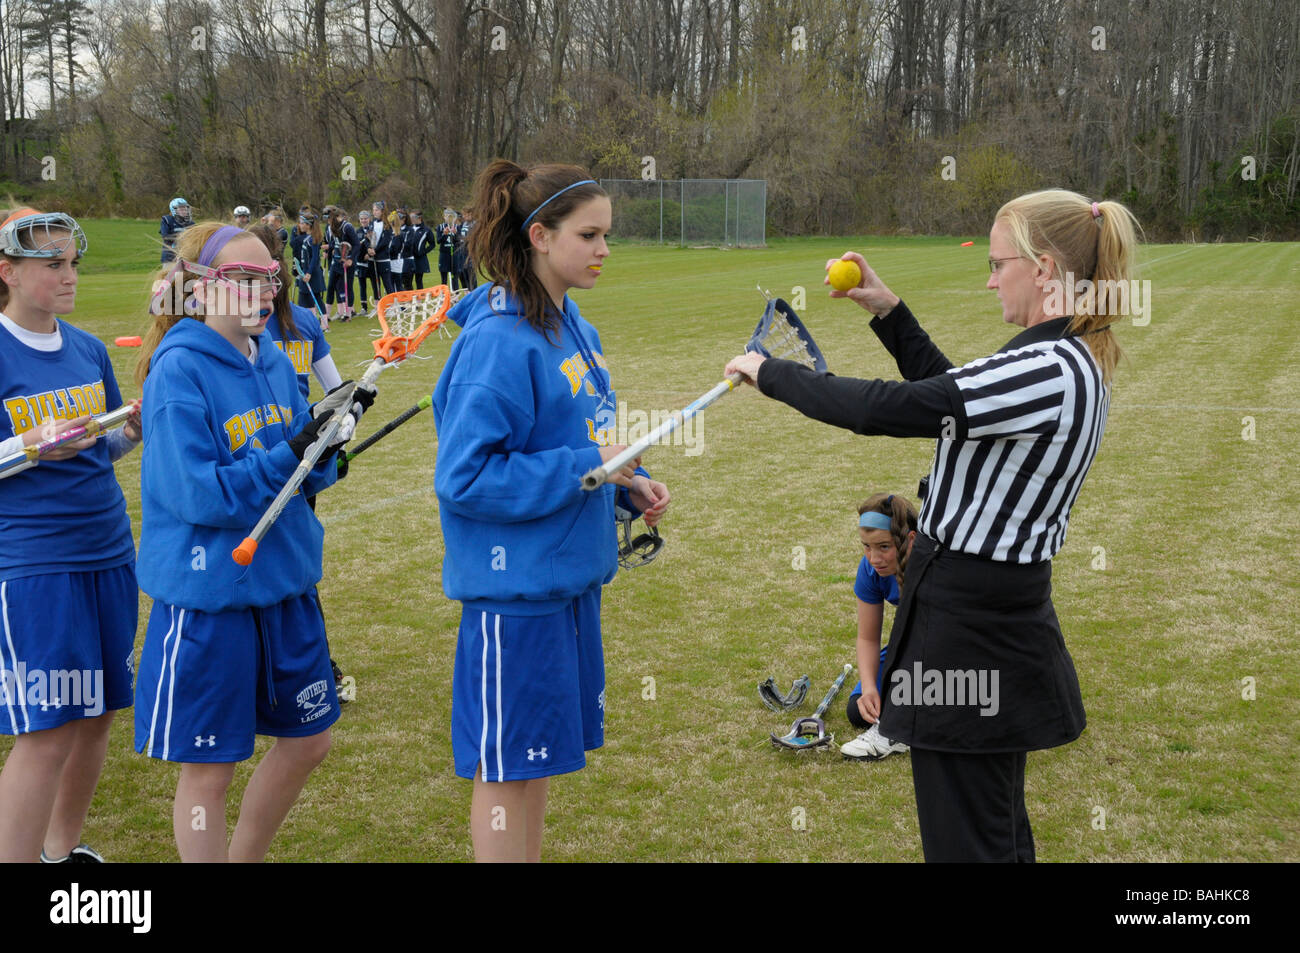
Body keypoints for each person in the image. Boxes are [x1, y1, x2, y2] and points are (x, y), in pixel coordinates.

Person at [725, 189, 1140, 862]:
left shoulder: (1048, 367)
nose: (990, 276)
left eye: (999, 261)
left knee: (967, 840)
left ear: (1043, 267)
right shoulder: (1066, 358)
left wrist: (772, 374)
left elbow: (896, 408)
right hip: (983, 613)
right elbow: (957, 406)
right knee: (991, 829)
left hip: (973, 625)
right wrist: (890, 315)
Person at [433, 161, 670, 863]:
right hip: (515, 598)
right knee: (505, 767)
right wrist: (590, 467)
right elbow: (466, 476)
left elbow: (584, 444)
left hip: (569, 581)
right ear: (539, 235)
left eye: (607, 235)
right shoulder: (496, 342)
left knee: (533, 762)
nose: (603, 249)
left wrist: (630, 481)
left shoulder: (578, 329)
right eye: (589, 234)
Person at [132, 222, 373, 861]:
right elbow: (198, 495)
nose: (262, 292)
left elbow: (299, 471)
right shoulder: (178, 371)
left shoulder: (271, 356)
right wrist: (291, 453)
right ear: (201, 290)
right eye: (242, 280)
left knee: (309, 740)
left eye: (269, 278)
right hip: (213, 595)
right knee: (210, 769)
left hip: (285, 585)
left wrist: (328, 443)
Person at [0, 209, 142, 863]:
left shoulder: (87, 348)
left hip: (109, 552)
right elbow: (33, 451)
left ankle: (62, 853)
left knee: (96, 715)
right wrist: (28, 446)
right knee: (47, 731)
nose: (69, 275)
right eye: (52, 263)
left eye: (72, 262)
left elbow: (97, 446)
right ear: (8, 271)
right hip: (35, 564)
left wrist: (129, 433)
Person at [248, 222, 351, 700]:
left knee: (286, 564)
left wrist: (332, 446)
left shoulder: (296, 322)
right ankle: (307, 667)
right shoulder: (287, 320)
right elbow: (336, 390)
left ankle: (310, 666)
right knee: (292, 561)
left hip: (291, 450)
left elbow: (337, 395)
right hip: (291, 451)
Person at [839, 493, 915, 762]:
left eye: (884, 547)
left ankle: (901, 729)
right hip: (910, 647)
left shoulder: (932, 568)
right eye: (866, 547)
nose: (874, 557)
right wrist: (870, 688)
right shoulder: (870, 570)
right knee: (858, 711)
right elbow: (868, 638)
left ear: (910, 540)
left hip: (950, 651)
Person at [289, 208, 326, 326]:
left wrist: (309, 273)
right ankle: (310, 323)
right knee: (304, 298)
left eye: (301, 223)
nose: (299, 225)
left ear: (308, 225)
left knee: (315, 298)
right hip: (305, 272)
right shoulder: (306, 238)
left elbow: (315, 258)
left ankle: (324, 323)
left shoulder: (313, 239)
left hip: (312, 274)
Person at [323, 208, 356, 322]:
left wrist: (351, 259)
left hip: (348, 263)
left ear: (336, 217)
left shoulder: (347, 227)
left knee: (348, 288)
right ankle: (326, 315)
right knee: (331, 287)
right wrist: (329, 248)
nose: (328, 221)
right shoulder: (332, 227)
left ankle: (348, 314)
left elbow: (356, 244)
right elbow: (335, 242)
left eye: (330, 218)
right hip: (336, 262)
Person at [354, 210, 377, 314]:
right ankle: (364, 308)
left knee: (374, 284)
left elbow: (374, 243)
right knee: (362, 285)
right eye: (362, 219)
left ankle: (377, 306)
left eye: (365, 218)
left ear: (369, 219)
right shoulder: (357, 231)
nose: (363, 220)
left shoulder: (373, 229)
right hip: (361, 262)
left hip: (372, 262)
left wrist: (369, 254)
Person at [160, 197, 193, 263]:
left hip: (185, 255)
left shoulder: (191, 223)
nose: (184, 211)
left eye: (185, 209)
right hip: (170, 254)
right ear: (173, 210)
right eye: (181, 209)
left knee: (180, 273)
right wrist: (181, 237)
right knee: (167, 272)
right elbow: (165, 236)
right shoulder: (167, 220)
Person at [409, 208, 434, 290]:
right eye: (410, 217)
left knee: (418, 280)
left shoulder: (426, 230)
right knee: (408, 281)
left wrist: (423, 252)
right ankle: (410, 299)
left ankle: (419, 300)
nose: (411, 219)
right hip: (409, 258)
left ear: (419, 218)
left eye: (413, 217)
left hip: (420, 259)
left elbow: (432, 244)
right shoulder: (409, 228)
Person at [436, 208, 460, 290]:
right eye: (447, 216)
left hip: (454, 255)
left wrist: (456, 234)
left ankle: (455, 297)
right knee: (444, 279)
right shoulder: (440, 227)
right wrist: (444, 234)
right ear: (444, 217)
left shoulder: (457, 227)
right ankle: (444, 296)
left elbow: (459, 241)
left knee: (455, 278)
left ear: (454, 217)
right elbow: (438, 241)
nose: (449, 218)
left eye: (451, 216)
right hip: (444, 255)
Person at [453, 211, 477, 291]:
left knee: (471, 276)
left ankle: (474, 294)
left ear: (471, 214)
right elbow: (460, 238)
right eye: (463, 214)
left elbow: (473, 238)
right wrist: (456, 234)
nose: (463, 216)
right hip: (463, 252)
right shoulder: (464, 224)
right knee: (464, 274)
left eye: (465, 214)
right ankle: (469, 294)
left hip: (471, 252)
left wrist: (460, 235)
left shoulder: (475, 224)